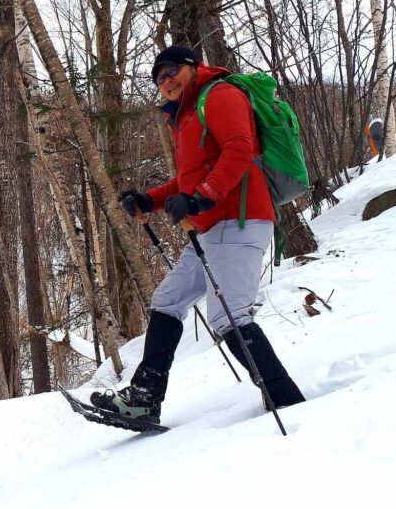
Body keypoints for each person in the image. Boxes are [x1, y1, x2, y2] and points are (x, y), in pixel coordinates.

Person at [91, 45, 305, 424]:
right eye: (159, 78)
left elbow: (240, 150)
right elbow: (189, 177)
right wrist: (152, 199)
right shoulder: (187, 116)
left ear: (193, 67)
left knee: (228, 316)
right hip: (213, 225)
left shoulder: (219, 94)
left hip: (239, 218)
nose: (166, 81)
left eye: (172, 70)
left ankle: (285, 398)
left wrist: (203, 197)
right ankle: (144, 398)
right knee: (168, 298)